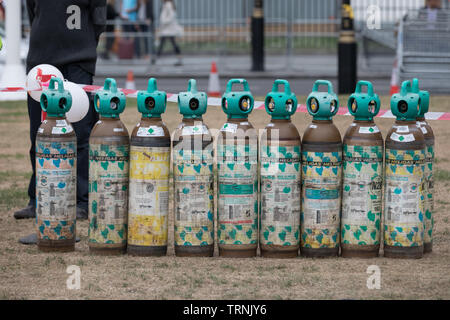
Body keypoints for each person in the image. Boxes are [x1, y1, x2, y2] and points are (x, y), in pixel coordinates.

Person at [14, 0, 106, 244]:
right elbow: (33, 10)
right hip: (41, 63)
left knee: (81, 132)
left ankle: (82, 201)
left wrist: (84, 48)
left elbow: (99, 19)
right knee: (39, 133)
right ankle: (38, 199)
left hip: (78, 61)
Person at [157, 0, 183, 66]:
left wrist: (164, 21)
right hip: (167, 29)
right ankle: (179, 58)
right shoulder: (166, 4)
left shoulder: (168, 5)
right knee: (167, 43)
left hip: (169, 29)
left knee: (170, 44)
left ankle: (156, 58)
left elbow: (171, 16)